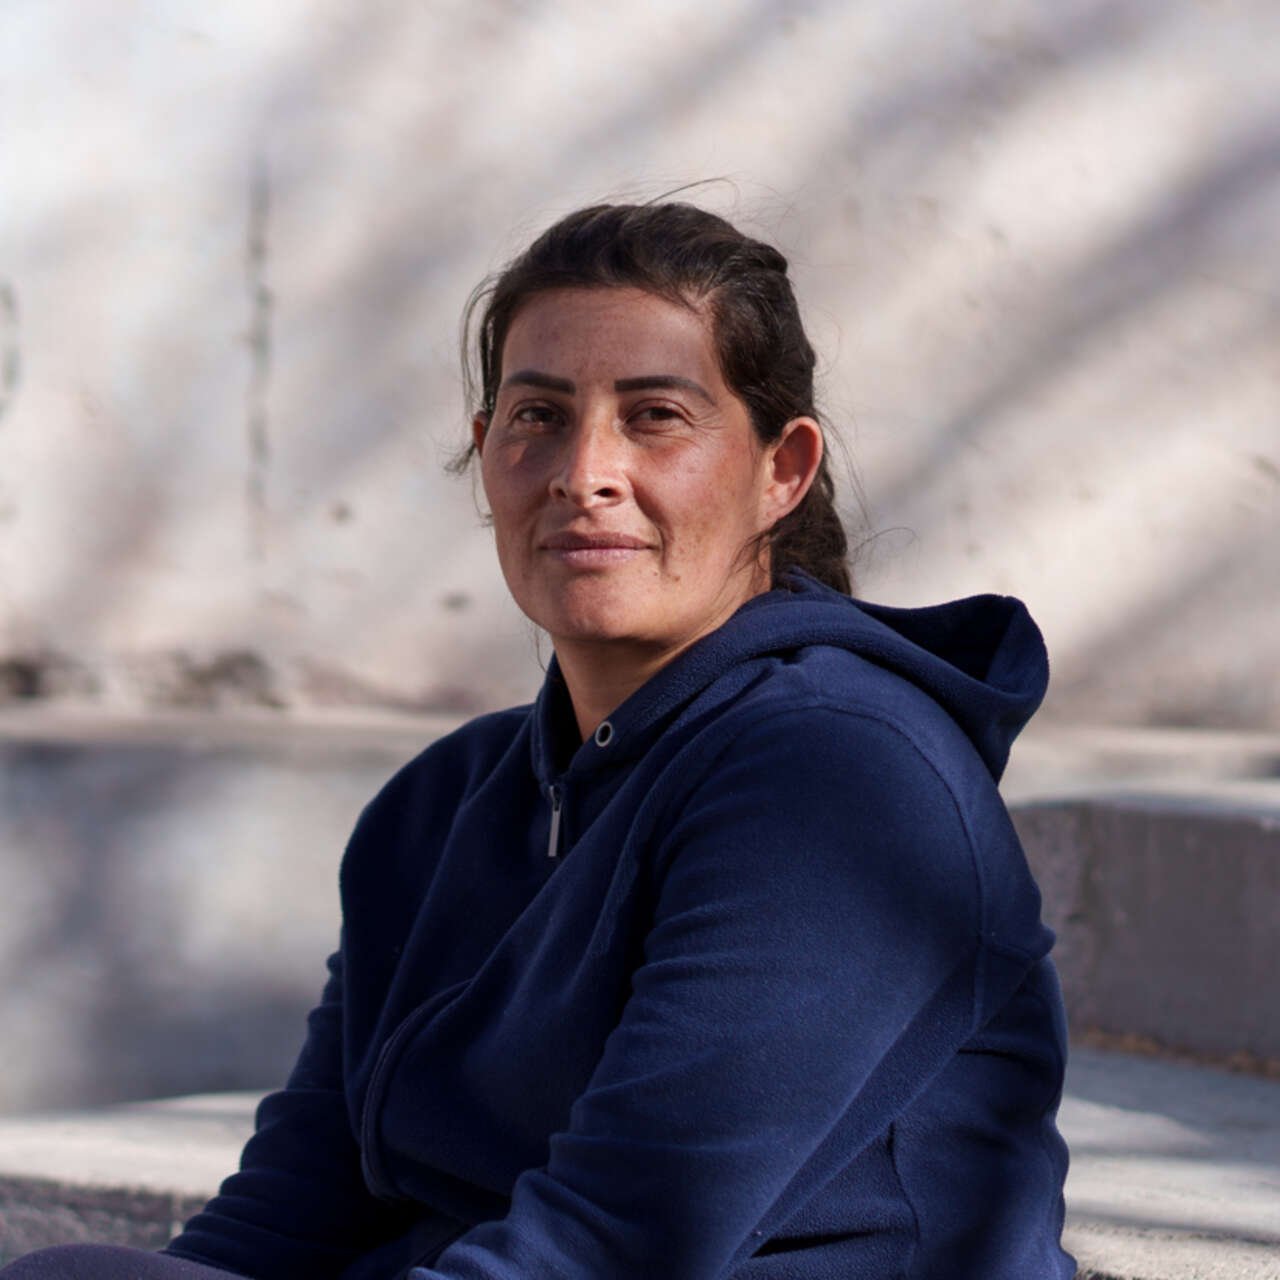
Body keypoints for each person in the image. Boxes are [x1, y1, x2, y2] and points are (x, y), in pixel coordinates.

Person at [4, 201, 1076, 1279]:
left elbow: (614, 1243)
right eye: (537, 417)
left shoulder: (842, 777)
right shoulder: (441, 804)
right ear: (485, 455)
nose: (583, 471)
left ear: (779, 469)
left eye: (655, 415)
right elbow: (284, 1219)